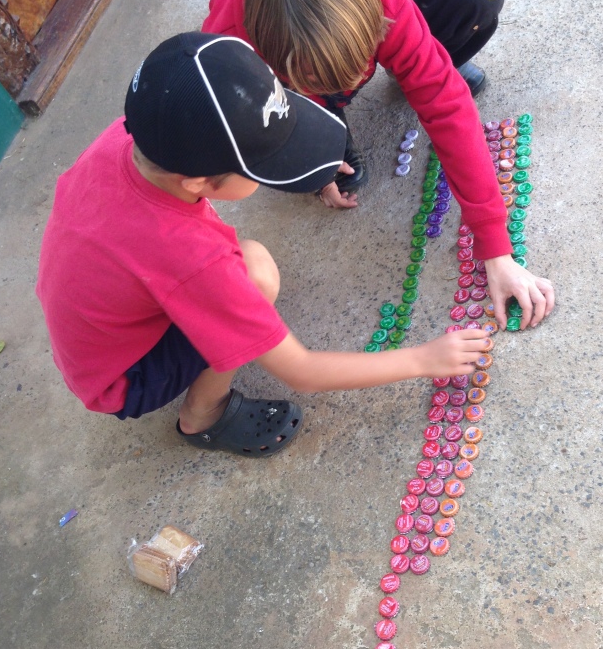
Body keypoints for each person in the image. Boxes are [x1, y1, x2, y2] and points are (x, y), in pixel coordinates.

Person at [36, 32, 492, 457]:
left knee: (239, 266)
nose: (273, 169)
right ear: (197, 181)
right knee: (254, 273)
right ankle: (202, 415)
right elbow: (304, 373)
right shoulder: (190, 258)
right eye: (262, 166)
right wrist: (422, 358)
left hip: (100, 332)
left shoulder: (137, 135)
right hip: (123, 378)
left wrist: (309, 163)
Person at [202, 0, 555, 332]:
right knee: (296, 155)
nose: (356, 83)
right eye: (329, 80)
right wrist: (308, 160)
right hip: (283, 73)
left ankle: (411, 53)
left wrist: (495, 247)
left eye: (363, 61)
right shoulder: (228, 49)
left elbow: (445, 103)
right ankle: (323, 118)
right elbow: (226, 142)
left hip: (353, 11)